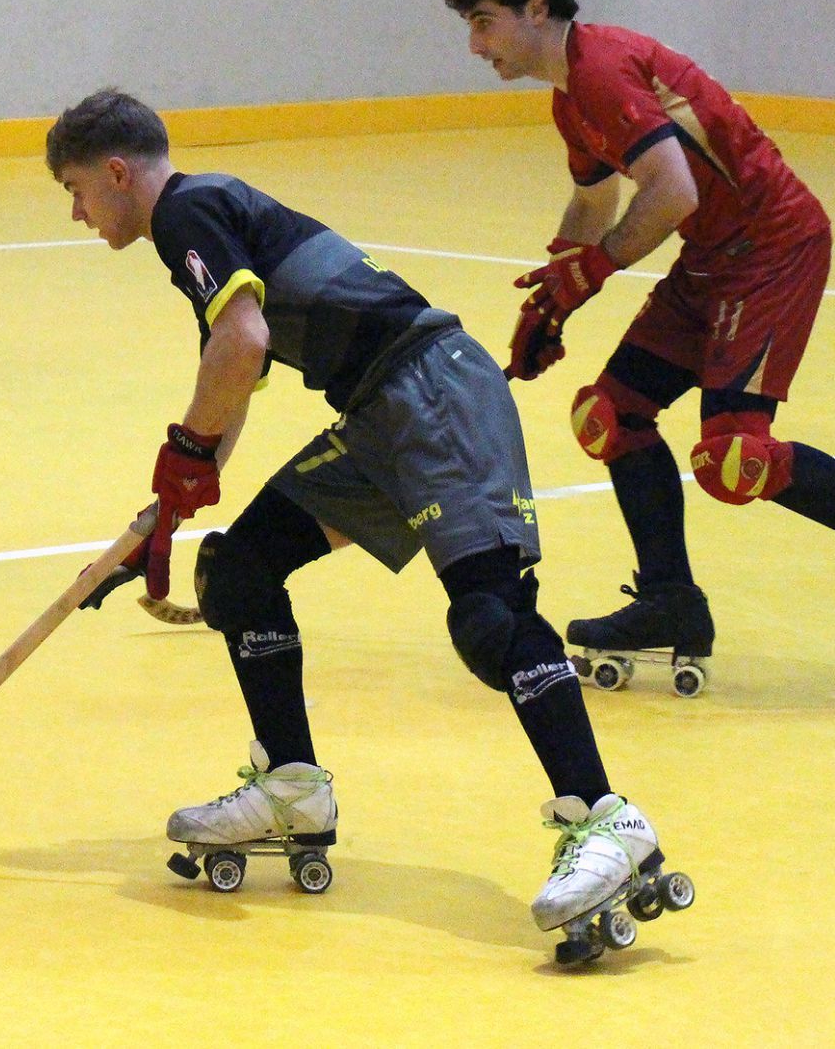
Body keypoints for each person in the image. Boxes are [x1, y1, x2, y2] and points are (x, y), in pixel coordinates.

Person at [46, 87, 675, 949]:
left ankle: (607, 819)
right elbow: (234, 369)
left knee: (491, 619)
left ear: (116, 172)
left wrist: (188, 452)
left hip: (431, 392)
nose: (79, 213)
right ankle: (293, 787)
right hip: (383, 411)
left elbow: (241, 344)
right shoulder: (205, 216)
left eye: (76, 190)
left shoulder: (186, 211)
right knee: (241, 571)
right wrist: (168, 513)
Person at [446, 0, 835, 685]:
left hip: (773, 248)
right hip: (713, 259)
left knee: (735, 458)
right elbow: (594, 199)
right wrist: (554, 298)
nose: (474, 45)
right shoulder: (573, 98)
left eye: (483, 22)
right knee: (609, 414)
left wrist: (595, 270)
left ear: (535, 9)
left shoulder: (601, 71)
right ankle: (671, 601)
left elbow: (674, 190)